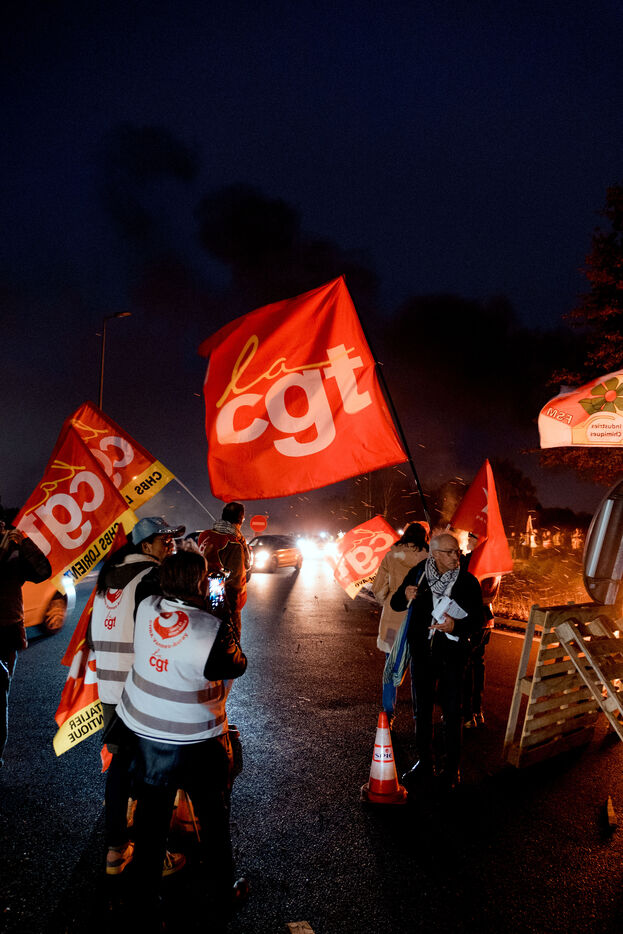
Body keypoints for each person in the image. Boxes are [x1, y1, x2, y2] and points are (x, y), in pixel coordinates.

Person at [115, 550, 247, 929]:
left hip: (147, 738)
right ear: (200, 583)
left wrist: (180, 574)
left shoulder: (147, 608)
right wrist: (221, 605)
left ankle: (143, 905)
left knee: (150, 824)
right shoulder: (210, 629)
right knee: (213, 819)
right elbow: (236, 664)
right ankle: (223, 893)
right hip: (198, 741)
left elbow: (153, 585)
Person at [90, 515, 184, 875]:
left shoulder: (108, 576)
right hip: (140, 690)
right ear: (146, 545)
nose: (171, 546)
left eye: (173, 540)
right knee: (152, 774)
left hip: (109, 689)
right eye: (165, 541)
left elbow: (96, 634)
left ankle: (115, 851)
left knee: (119, 767)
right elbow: (164, 632)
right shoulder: (151, 577)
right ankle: (153, 858)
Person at [391, 532, 483, 791]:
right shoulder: (419, 574)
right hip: (422, 654)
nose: (456, 556)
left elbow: (479, 619)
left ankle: (452, 768)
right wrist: (405, 594)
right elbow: (396, 603)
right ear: (434, 554)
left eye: (457, 552)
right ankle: (425, 761)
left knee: (452, 712)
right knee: (422, 711)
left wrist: (456, 626)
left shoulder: (467, 581)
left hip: (453, 656)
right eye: (450, 552)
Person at [0, 517, 51, 767]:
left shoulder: (13, 550)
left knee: (1, 697)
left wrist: (25, 543)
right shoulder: (4, 551)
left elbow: (43, 572)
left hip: (8, 633)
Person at [372, 522, 428, 724]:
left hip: (392, 620)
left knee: (391, 665)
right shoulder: (429, 558)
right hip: (419, 621)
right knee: (418, 669)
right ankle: (419, 715)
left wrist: (388, 599)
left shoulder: (391, 556)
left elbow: (379, 589)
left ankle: (389, 714)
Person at [198, 502, 251, 640]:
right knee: (230, 642)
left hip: (203, 598)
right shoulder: (234, 543)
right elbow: (235, 582)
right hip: (224, 603)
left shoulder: (204, 535)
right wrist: (232, 612)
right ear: (241, 518)